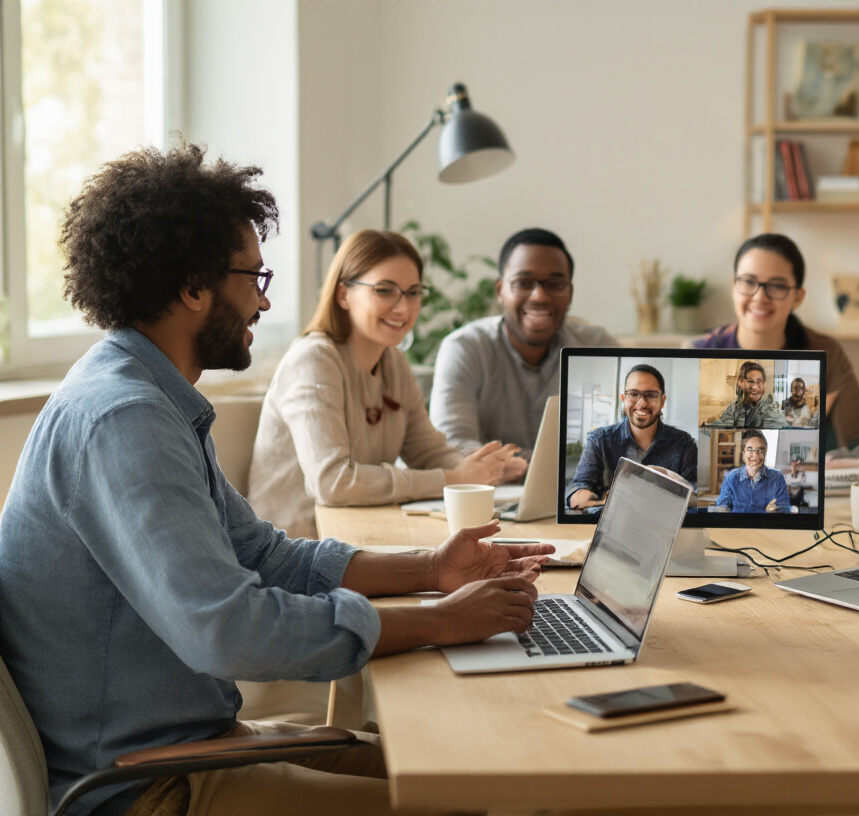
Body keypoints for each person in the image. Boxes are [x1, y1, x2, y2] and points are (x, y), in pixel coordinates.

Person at [0, 143, 553, 816]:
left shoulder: (148, 396)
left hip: (192, 741)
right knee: (472, 801)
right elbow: (228, 630)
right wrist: (438, 621)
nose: (264, 302)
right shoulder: (125, 420)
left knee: (484, 773)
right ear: (193, 285)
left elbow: (266, 555)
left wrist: (430, 567)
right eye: (253, 279)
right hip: (144, 786)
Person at [249, 229, 525, 540]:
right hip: (293, 551)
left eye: (413, 292)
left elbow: (428, 452)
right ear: (343, 295)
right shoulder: (313, 360)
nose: (404, 308)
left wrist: (479, 470)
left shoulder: (394, 363)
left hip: (357, 537)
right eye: (384, 290)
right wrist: (452, 477)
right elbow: (333, 484)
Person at [429, 227, 619, 457]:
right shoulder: (465, 348)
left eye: (556, 284)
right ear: (500, 291)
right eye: (523, 282)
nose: (539, 296)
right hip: (492, 491)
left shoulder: (598, 348)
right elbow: (452, 446)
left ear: (570, 293)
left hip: (577, 491)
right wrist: (539, 465)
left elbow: (629, 439)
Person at [691, 233, 859, 448]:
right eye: (749, 281)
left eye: (777, 286)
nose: (760, 297)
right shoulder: (698, 354)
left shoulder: (826, 353)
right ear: (734, 286)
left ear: (798, 296)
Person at [566, 364, 698, 509]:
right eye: (633, 394)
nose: (641, 404)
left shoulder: (684, 444)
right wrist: (603, 502)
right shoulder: (599, 439)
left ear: (662, 401)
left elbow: (694, 498)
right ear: (623, 399)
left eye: (651, 395)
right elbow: (578, 491)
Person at [715, 430, 790, 513]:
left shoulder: (777, 478)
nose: (755, 456)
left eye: (760, 451)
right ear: (743, 454)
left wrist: (774, 512)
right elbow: (721, 507)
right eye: (750, 450)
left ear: (765, 453)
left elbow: (785, 510)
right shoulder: (731, 477)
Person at [712, 360, 789, 428]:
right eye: (750, 381)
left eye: (759, 381)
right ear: (741, 382)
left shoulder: (772, 410)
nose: (755, 387)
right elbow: (720, 425)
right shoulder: (734, 407)